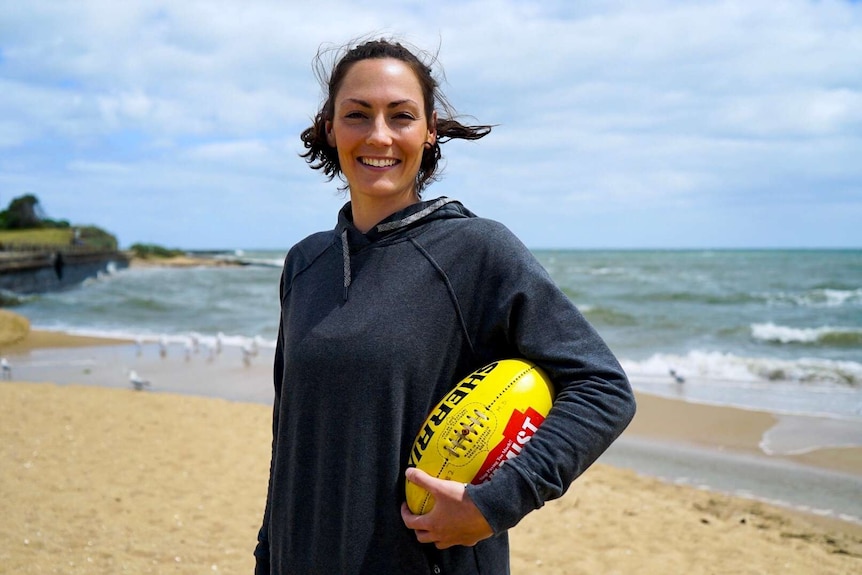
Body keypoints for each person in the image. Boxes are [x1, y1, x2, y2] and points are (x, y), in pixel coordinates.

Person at [254, 37, 636, 575]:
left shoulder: (478, 250)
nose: (379, 135)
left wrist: (495, 504)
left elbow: (601, 388)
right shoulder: (305, 262)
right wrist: (269, 553)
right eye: (357, 115)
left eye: (401, 115)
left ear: (429, 130)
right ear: (330, 128)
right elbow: (289, 433)